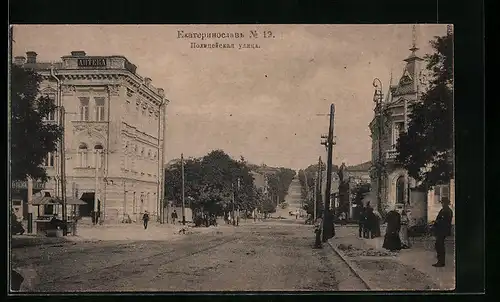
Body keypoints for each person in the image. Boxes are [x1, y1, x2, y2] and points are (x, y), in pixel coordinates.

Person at [432, 197, 453, 267]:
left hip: (443, 230)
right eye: (442, 202)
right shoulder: (443, 210)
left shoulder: (447, 211)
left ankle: (441, 262)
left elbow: (445, 221)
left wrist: (437, 222)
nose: (442, 204)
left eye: (443, 202)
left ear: (446, 203)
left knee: (439, 245)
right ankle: (440, 261)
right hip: (440, 230)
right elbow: (439, 219)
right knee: (438, 245)